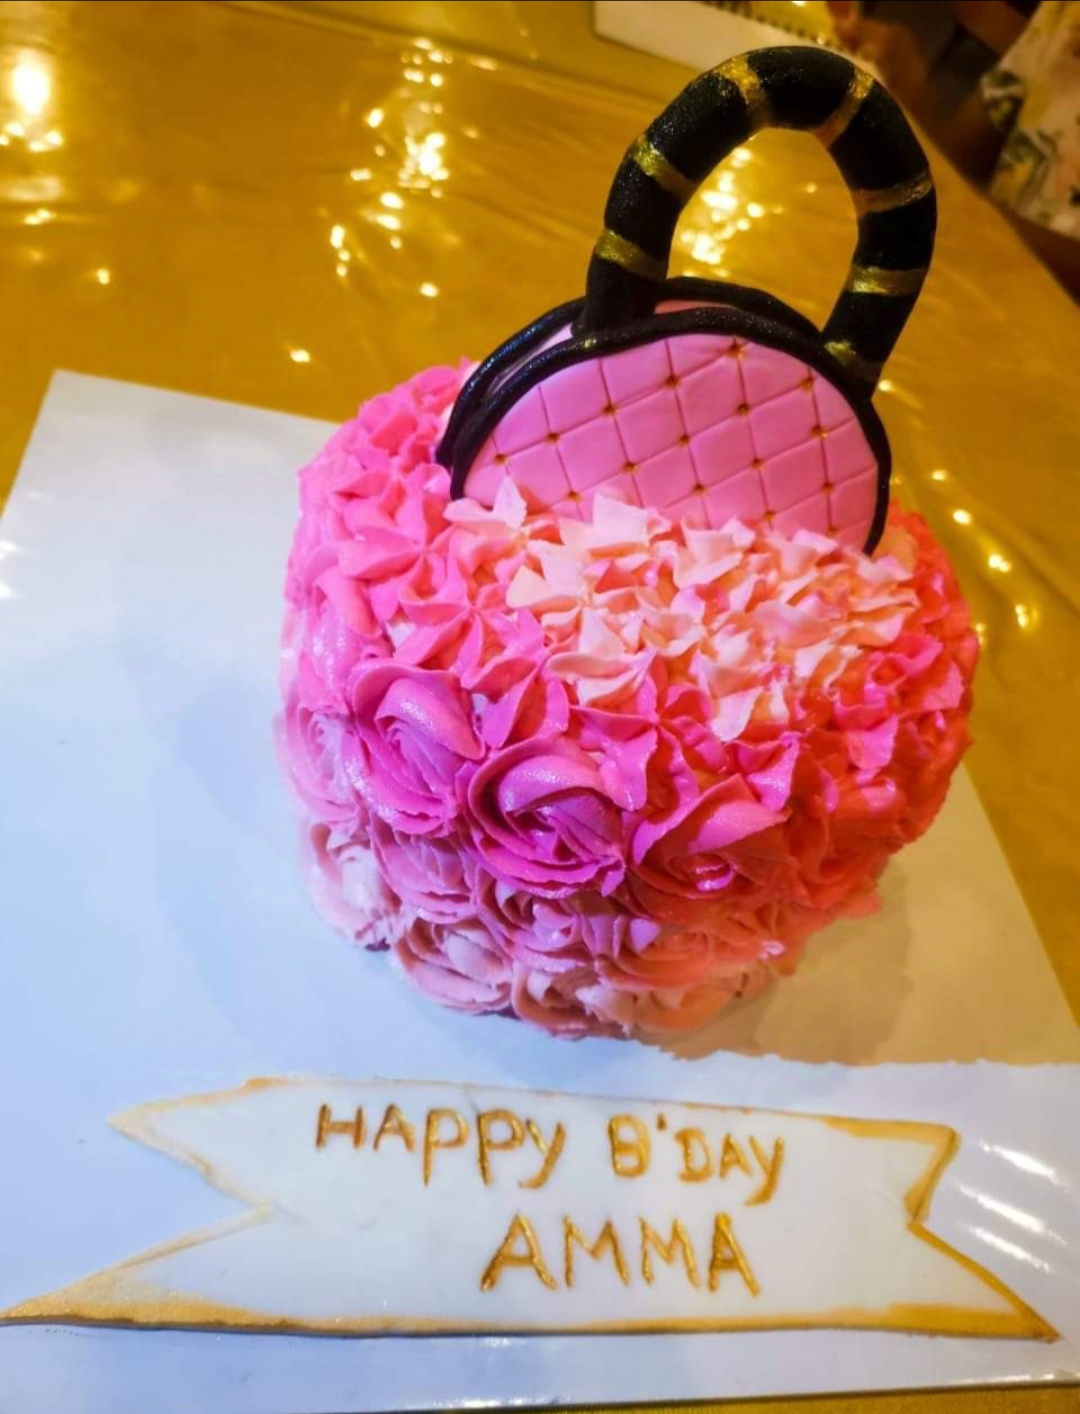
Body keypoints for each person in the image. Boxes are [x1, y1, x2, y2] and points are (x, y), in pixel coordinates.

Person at [829, 1, 1080, 296]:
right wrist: (910, 96)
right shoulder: (1064, 12)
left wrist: (956, 209)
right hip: (966, 276)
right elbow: (959, 159)